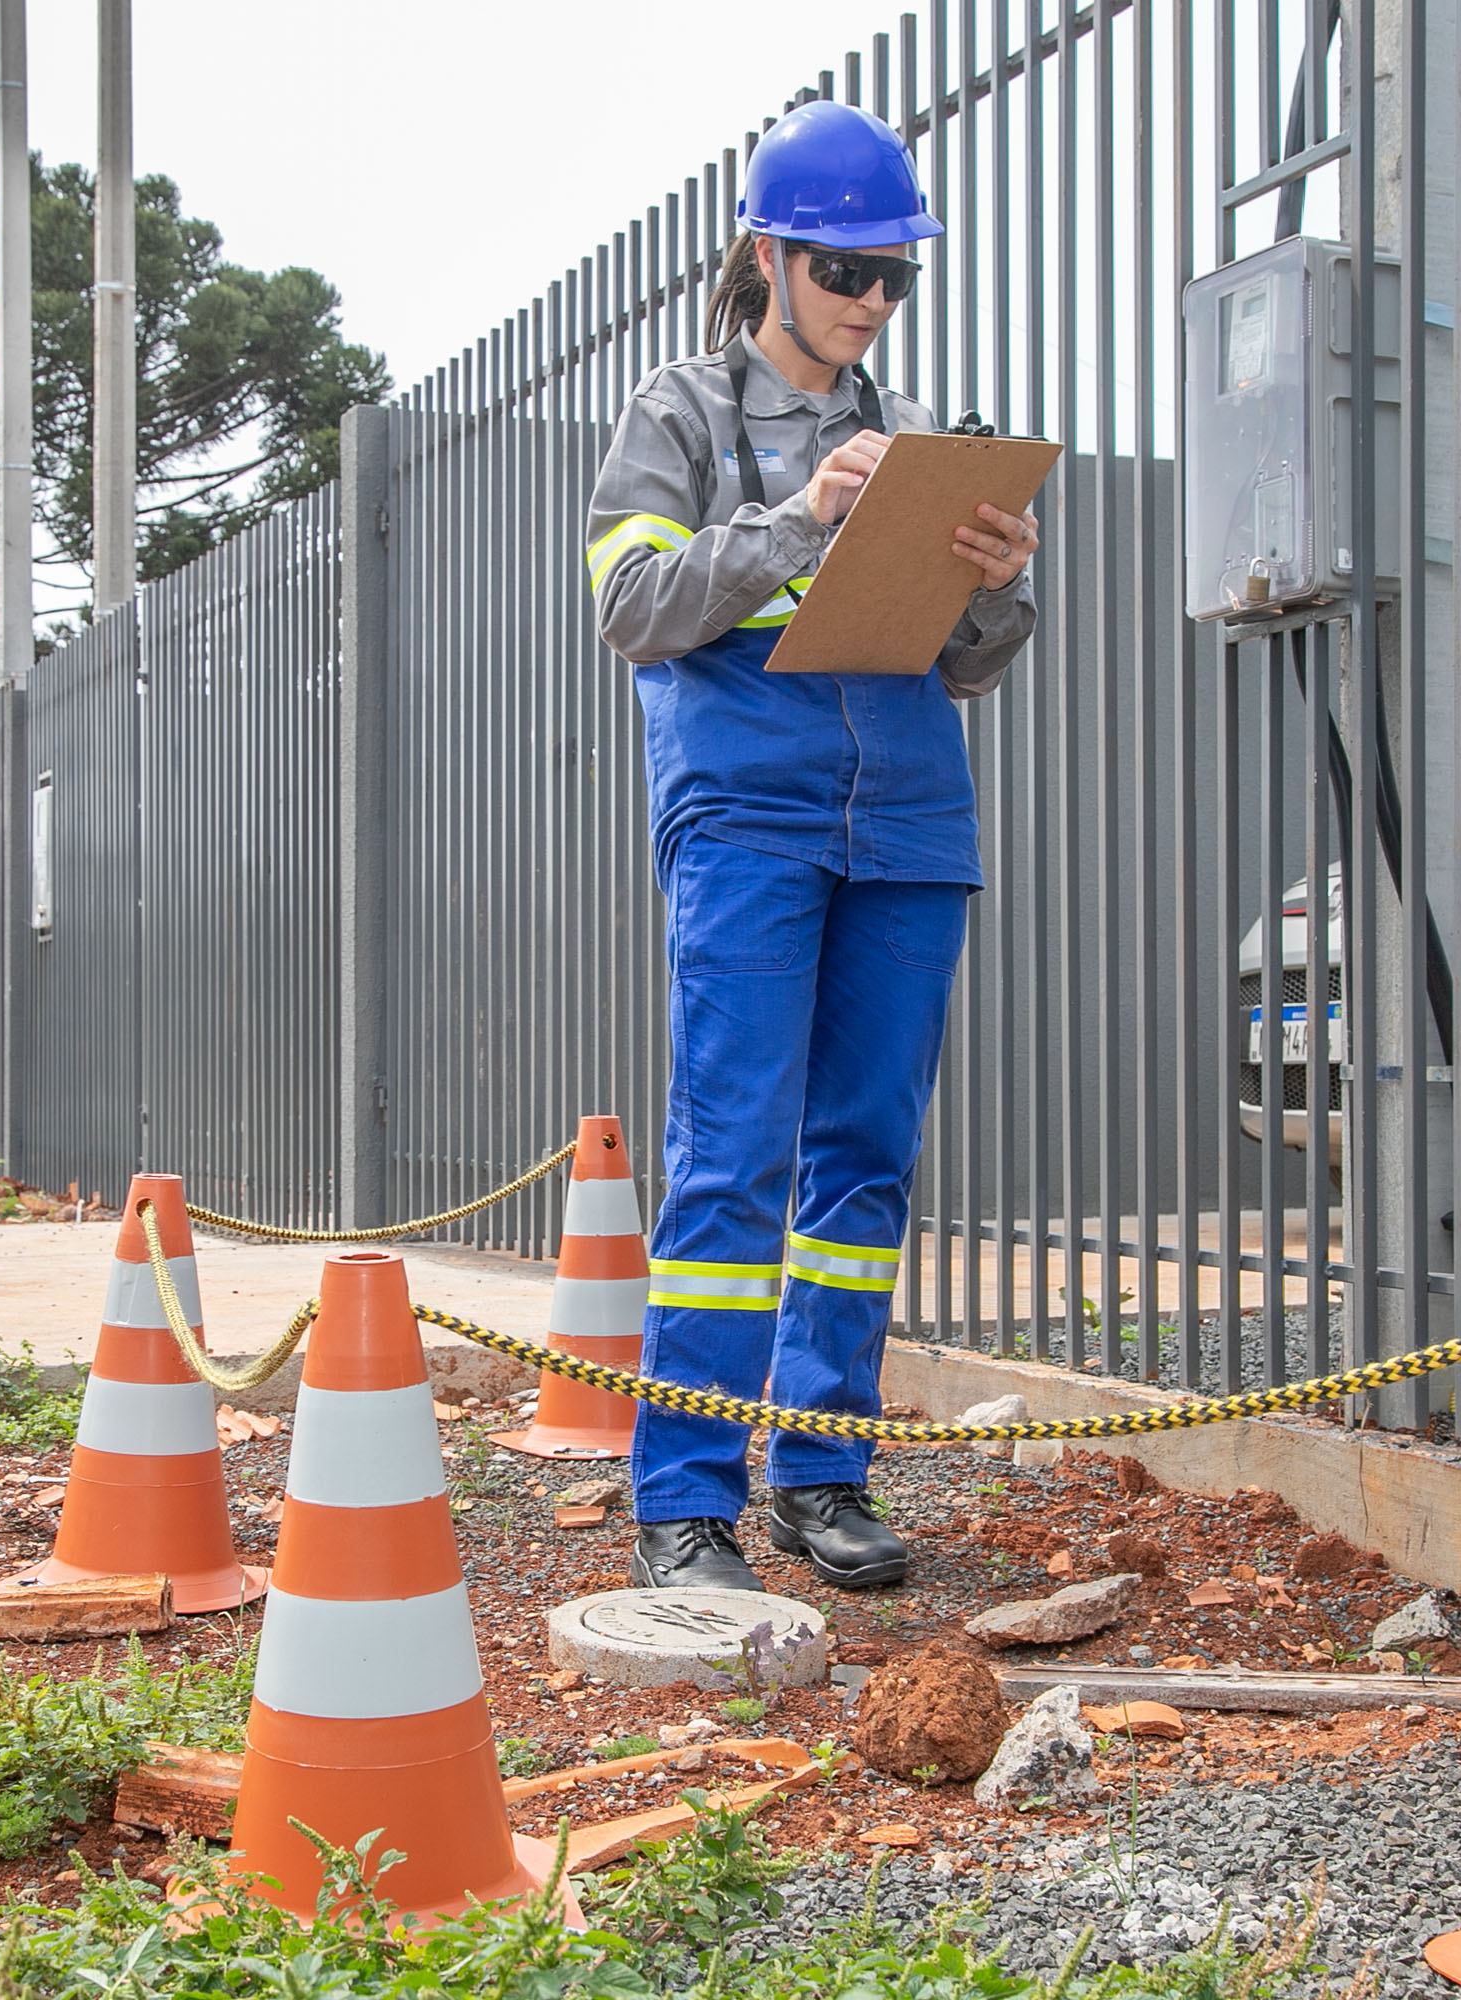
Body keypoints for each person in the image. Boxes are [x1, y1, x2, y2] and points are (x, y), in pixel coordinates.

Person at [587, 100, 1041, 1593]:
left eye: (894, 275)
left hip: (911, 820)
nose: (872, 301)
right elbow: (633, 610)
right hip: (751, 819)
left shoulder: (908, 433)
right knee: (734, 1157)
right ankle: (686, 1501)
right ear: (769, 258)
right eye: (847, 270)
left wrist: (993, 580)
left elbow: (968, 663)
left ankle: (823, 1481)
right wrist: (793, 521)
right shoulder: (678, 413)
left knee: (863, 1164)